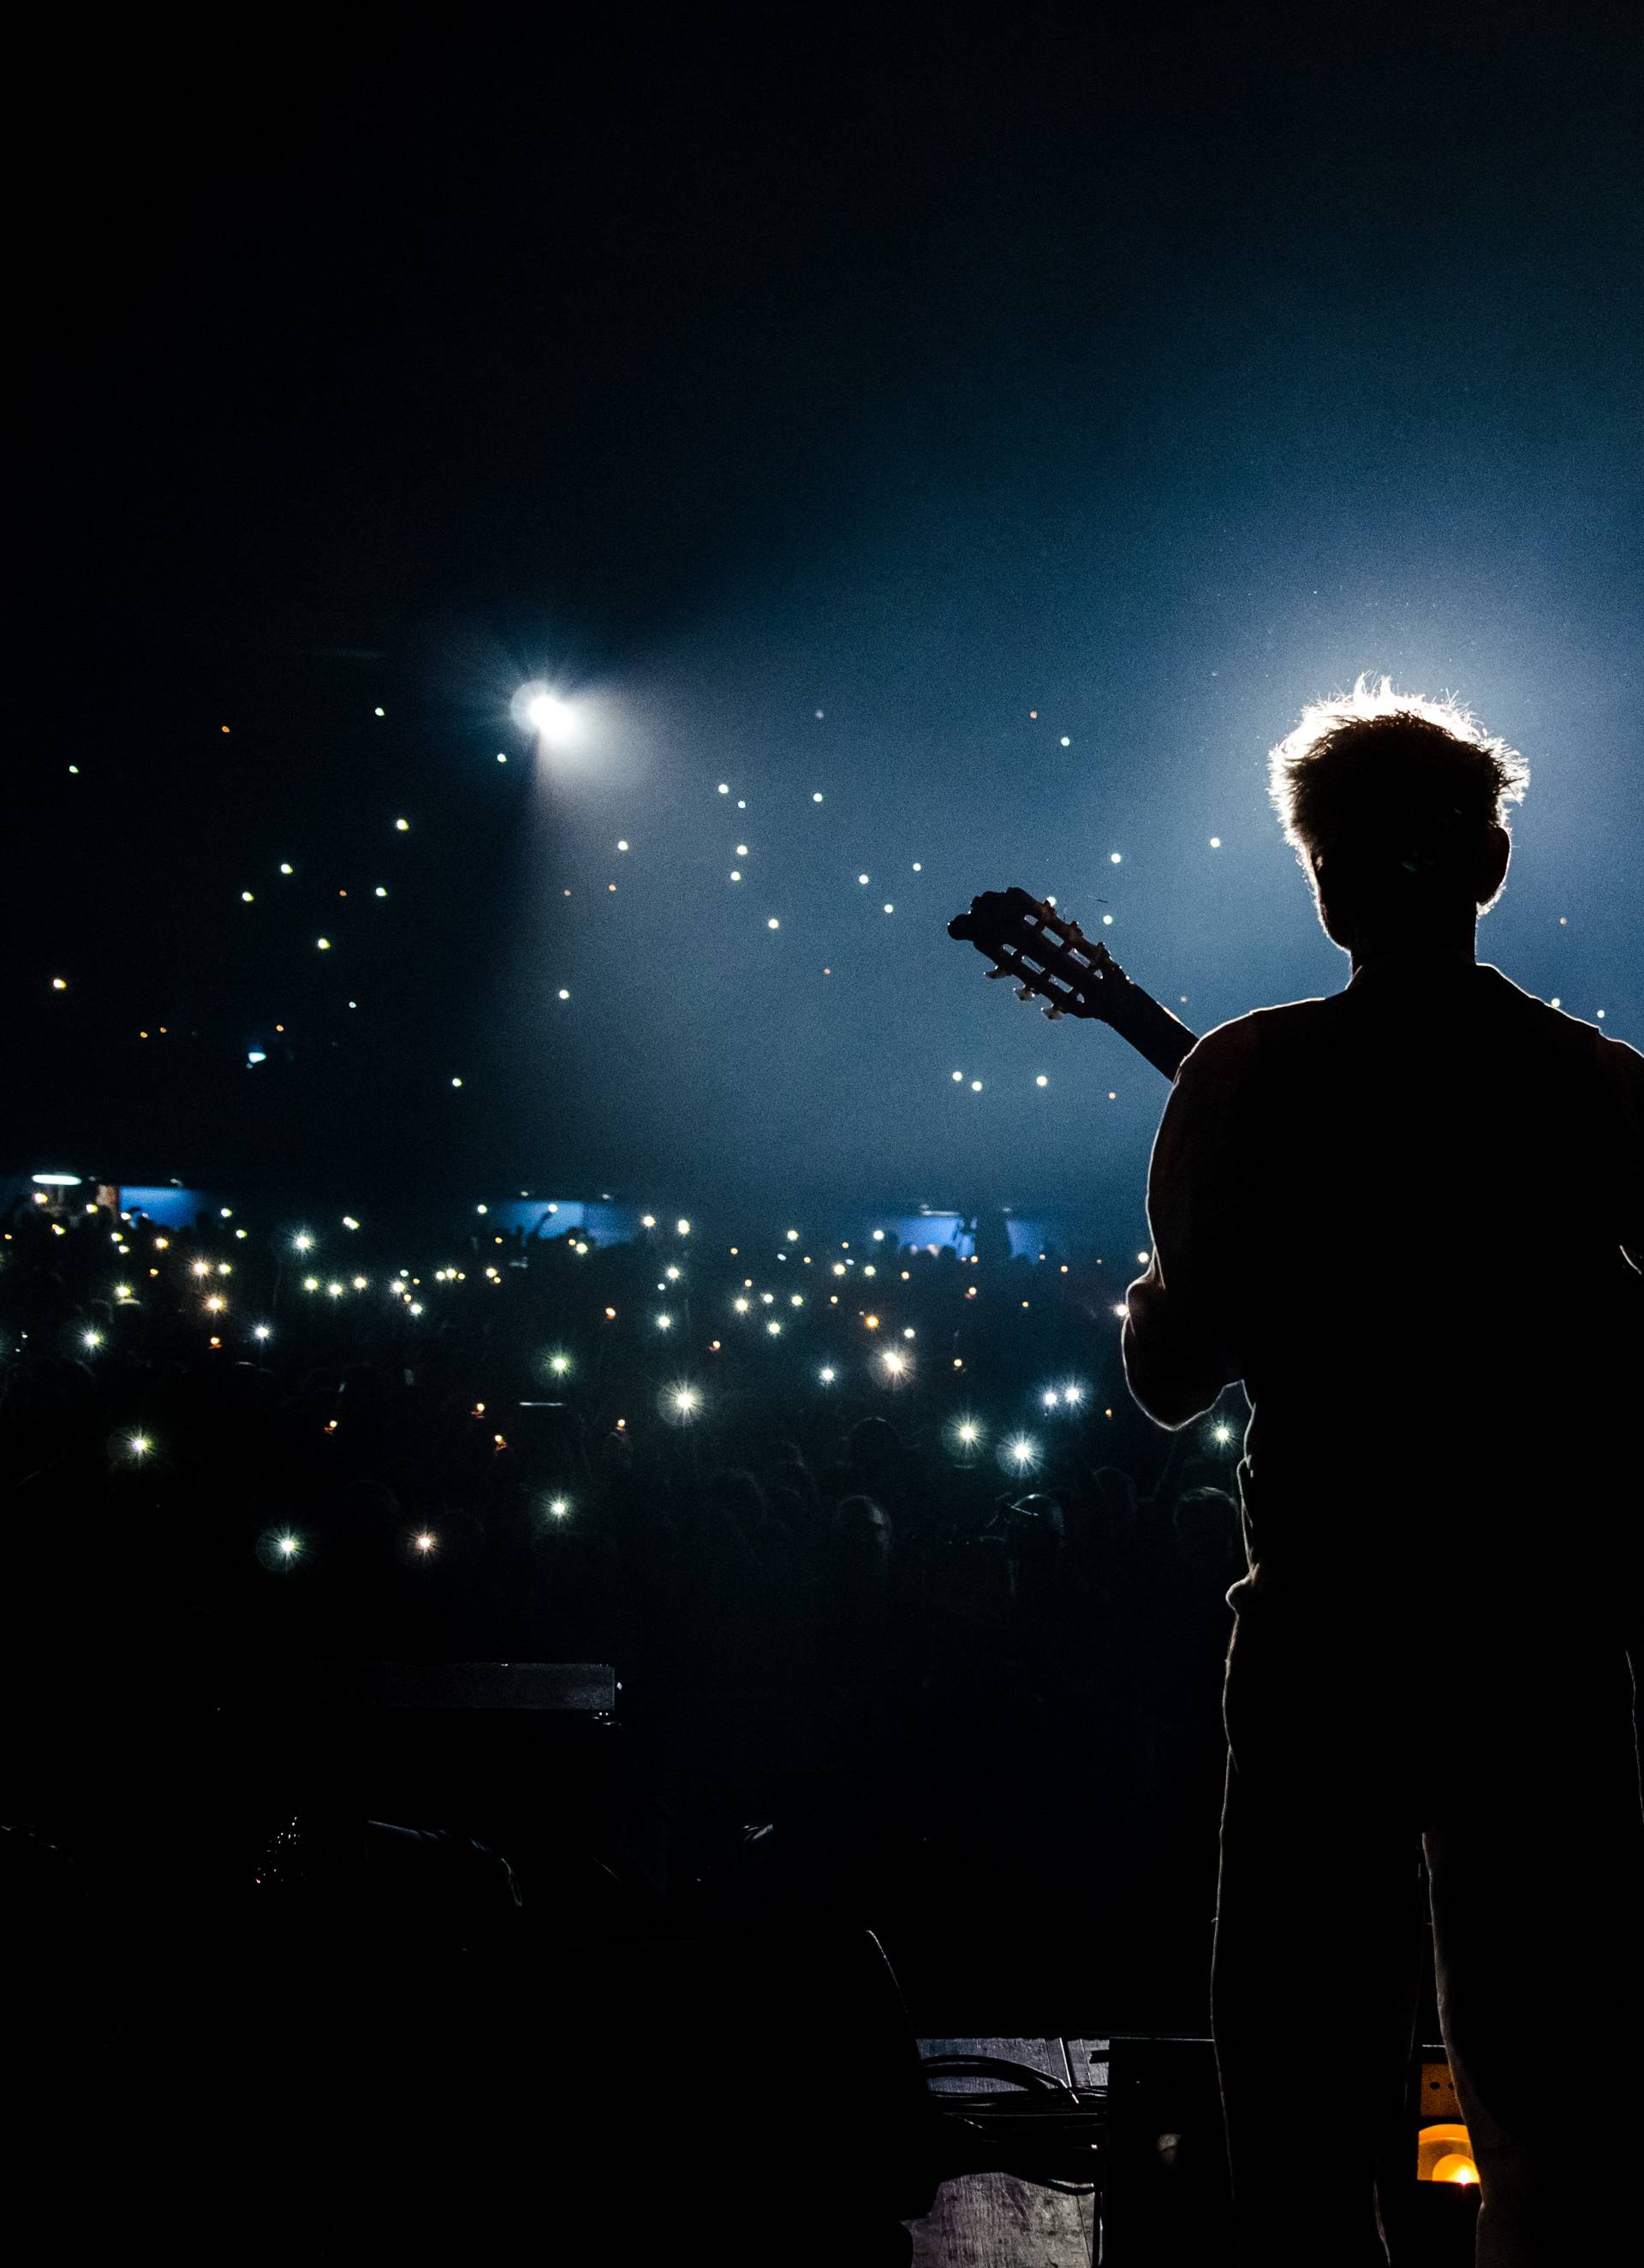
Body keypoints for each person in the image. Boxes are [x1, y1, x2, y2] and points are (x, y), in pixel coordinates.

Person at [1121, 676, 1644, 2265]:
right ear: (1489, 866)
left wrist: (1166, 1292)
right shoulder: (1602, 1090)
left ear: (1320, 877)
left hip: (1326, 1637)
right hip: (1538, 1638)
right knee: (1563, 2101)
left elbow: (1169, 1377)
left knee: (1292, 2095)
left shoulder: (1245, 1077)